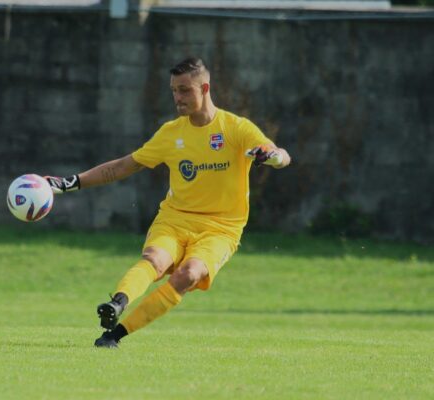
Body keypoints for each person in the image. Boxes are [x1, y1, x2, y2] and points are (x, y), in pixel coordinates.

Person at [46, 57, 291, 348]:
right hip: (174, 220)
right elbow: (124, 165)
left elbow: (280, 154)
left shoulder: (235, 128)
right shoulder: (171, 133)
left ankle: (115, 335)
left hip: (221, 229)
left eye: (185, 90)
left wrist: (272, 156)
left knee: (188, 274)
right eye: (174, 90)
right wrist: (70, 182)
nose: (178, 97)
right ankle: (117, 303)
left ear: (205, 88)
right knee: (154, 260)